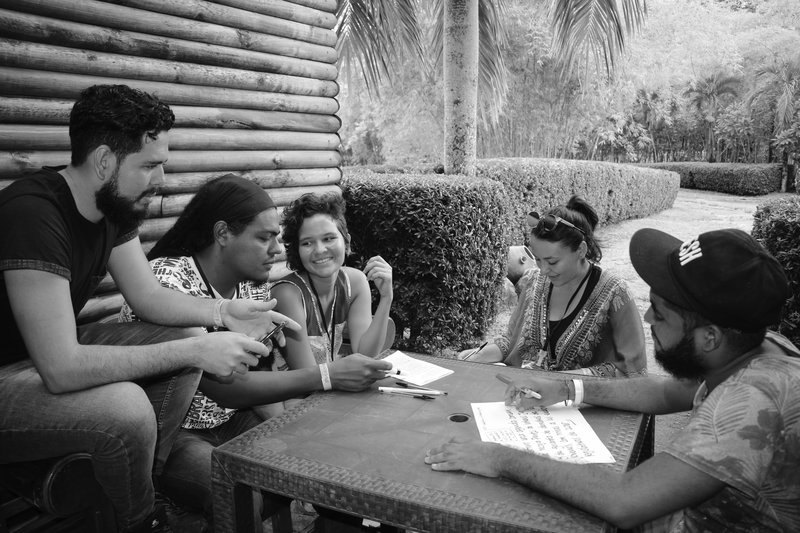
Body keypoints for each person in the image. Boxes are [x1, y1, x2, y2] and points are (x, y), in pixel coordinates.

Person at [0, 85, 296, 533]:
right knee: (127, 408)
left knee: (185, 333)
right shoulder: (33, 213)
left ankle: (151, 470)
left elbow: (149, 298)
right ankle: (145, 518)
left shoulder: (110, 208)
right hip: (12, 376)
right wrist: (195, 353)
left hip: (38, 364)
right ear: (104, 161)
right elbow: (61, 367)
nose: (161, 180)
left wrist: (220, 313)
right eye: (151, 165)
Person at [426, 227, 800, 532]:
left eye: (662, 313)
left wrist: (498, 458)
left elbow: (624, 501)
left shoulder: (752, 400)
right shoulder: (758, 344)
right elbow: (671, 390)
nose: (649, 318)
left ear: (710, 337)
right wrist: (568, 387)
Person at [119, 175, 392, 522]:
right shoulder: (168, 282)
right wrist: (326, 376)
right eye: (265, 238)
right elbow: (226, 388)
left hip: (234, 420)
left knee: (323, 453)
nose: (278, 250)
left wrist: (301, 438)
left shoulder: (251, 292)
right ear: (223, 235)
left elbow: (258, 378)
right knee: (235, 491)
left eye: (277, 238)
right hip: (172, 437)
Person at [460, 196, 646, 378]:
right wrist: (475, 356)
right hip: (524, 398)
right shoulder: (533, 281)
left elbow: (632, 369)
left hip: (583, 406)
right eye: (538, 259)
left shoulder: (615, 294)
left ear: (581, 250)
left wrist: (561, 385)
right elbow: (512, 339)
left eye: (552, 261)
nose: (543, 269)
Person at [271, 192, 394, 367]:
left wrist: (386, 298)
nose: (320, 250)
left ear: (347, 242)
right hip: (289, 393)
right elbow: (308, 376)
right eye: (307, 243)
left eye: (328, 238)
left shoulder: (355, 283)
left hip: (328, 389)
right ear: (297, 250)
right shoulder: (287, 294)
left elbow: (365, 354)